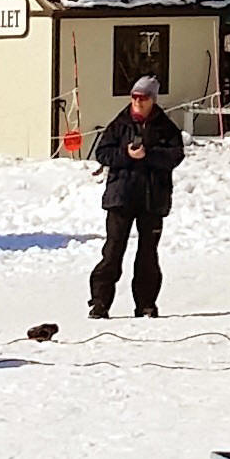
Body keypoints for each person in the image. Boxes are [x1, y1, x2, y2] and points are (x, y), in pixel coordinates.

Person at [88, 78, 184, 318]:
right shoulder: (119, 124)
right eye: (135, 97)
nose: (138, 102)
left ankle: (146, 304)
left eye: (143, 98)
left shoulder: (165, 127)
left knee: (148, 254)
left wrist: (147, 155)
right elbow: (102, 153)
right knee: (112, 251)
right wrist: (126, 154)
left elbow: (175, 156)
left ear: (153, 100)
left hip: (153, 198)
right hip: (121, 197)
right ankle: (100, 303)